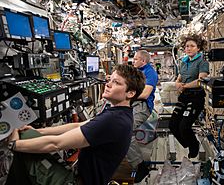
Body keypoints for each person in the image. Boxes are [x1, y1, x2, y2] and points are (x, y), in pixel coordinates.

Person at [7, 64, 146, 185]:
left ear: (130, 93)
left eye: (116, 82)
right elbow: (77, 126)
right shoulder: (120, 113)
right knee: (29, 134)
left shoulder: (113, 120)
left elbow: (57, 144)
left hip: (74, 182)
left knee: (24, 143)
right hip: (84, 178)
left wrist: (14, 145)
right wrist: (39, 131)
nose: (108, 84)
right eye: (110, 80)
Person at [169, 34, 209, 158]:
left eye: (192, 46)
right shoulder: (183, 62)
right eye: (187, 46)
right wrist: (177, 83)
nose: (189, 48)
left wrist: (184, 86)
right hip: (184, 97)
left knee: (184, 126)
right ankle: (188, 144)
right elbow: (179, 77)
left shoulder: (202, 62)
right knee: (173, 125)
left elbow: (200, 80)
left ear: (198, 48)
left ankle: (194, 146)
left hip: (196, 98)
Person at [128, 50, 158, 183]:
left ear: (143, 61)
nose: (133, 61)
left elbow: (145, 94)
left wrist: (126, 96)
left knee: (126, 131)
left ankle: (140, 166)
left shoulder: (150, 73)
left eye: (135, 59)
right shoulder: (136, 72)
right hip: (132, 103)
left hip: (142, 105)